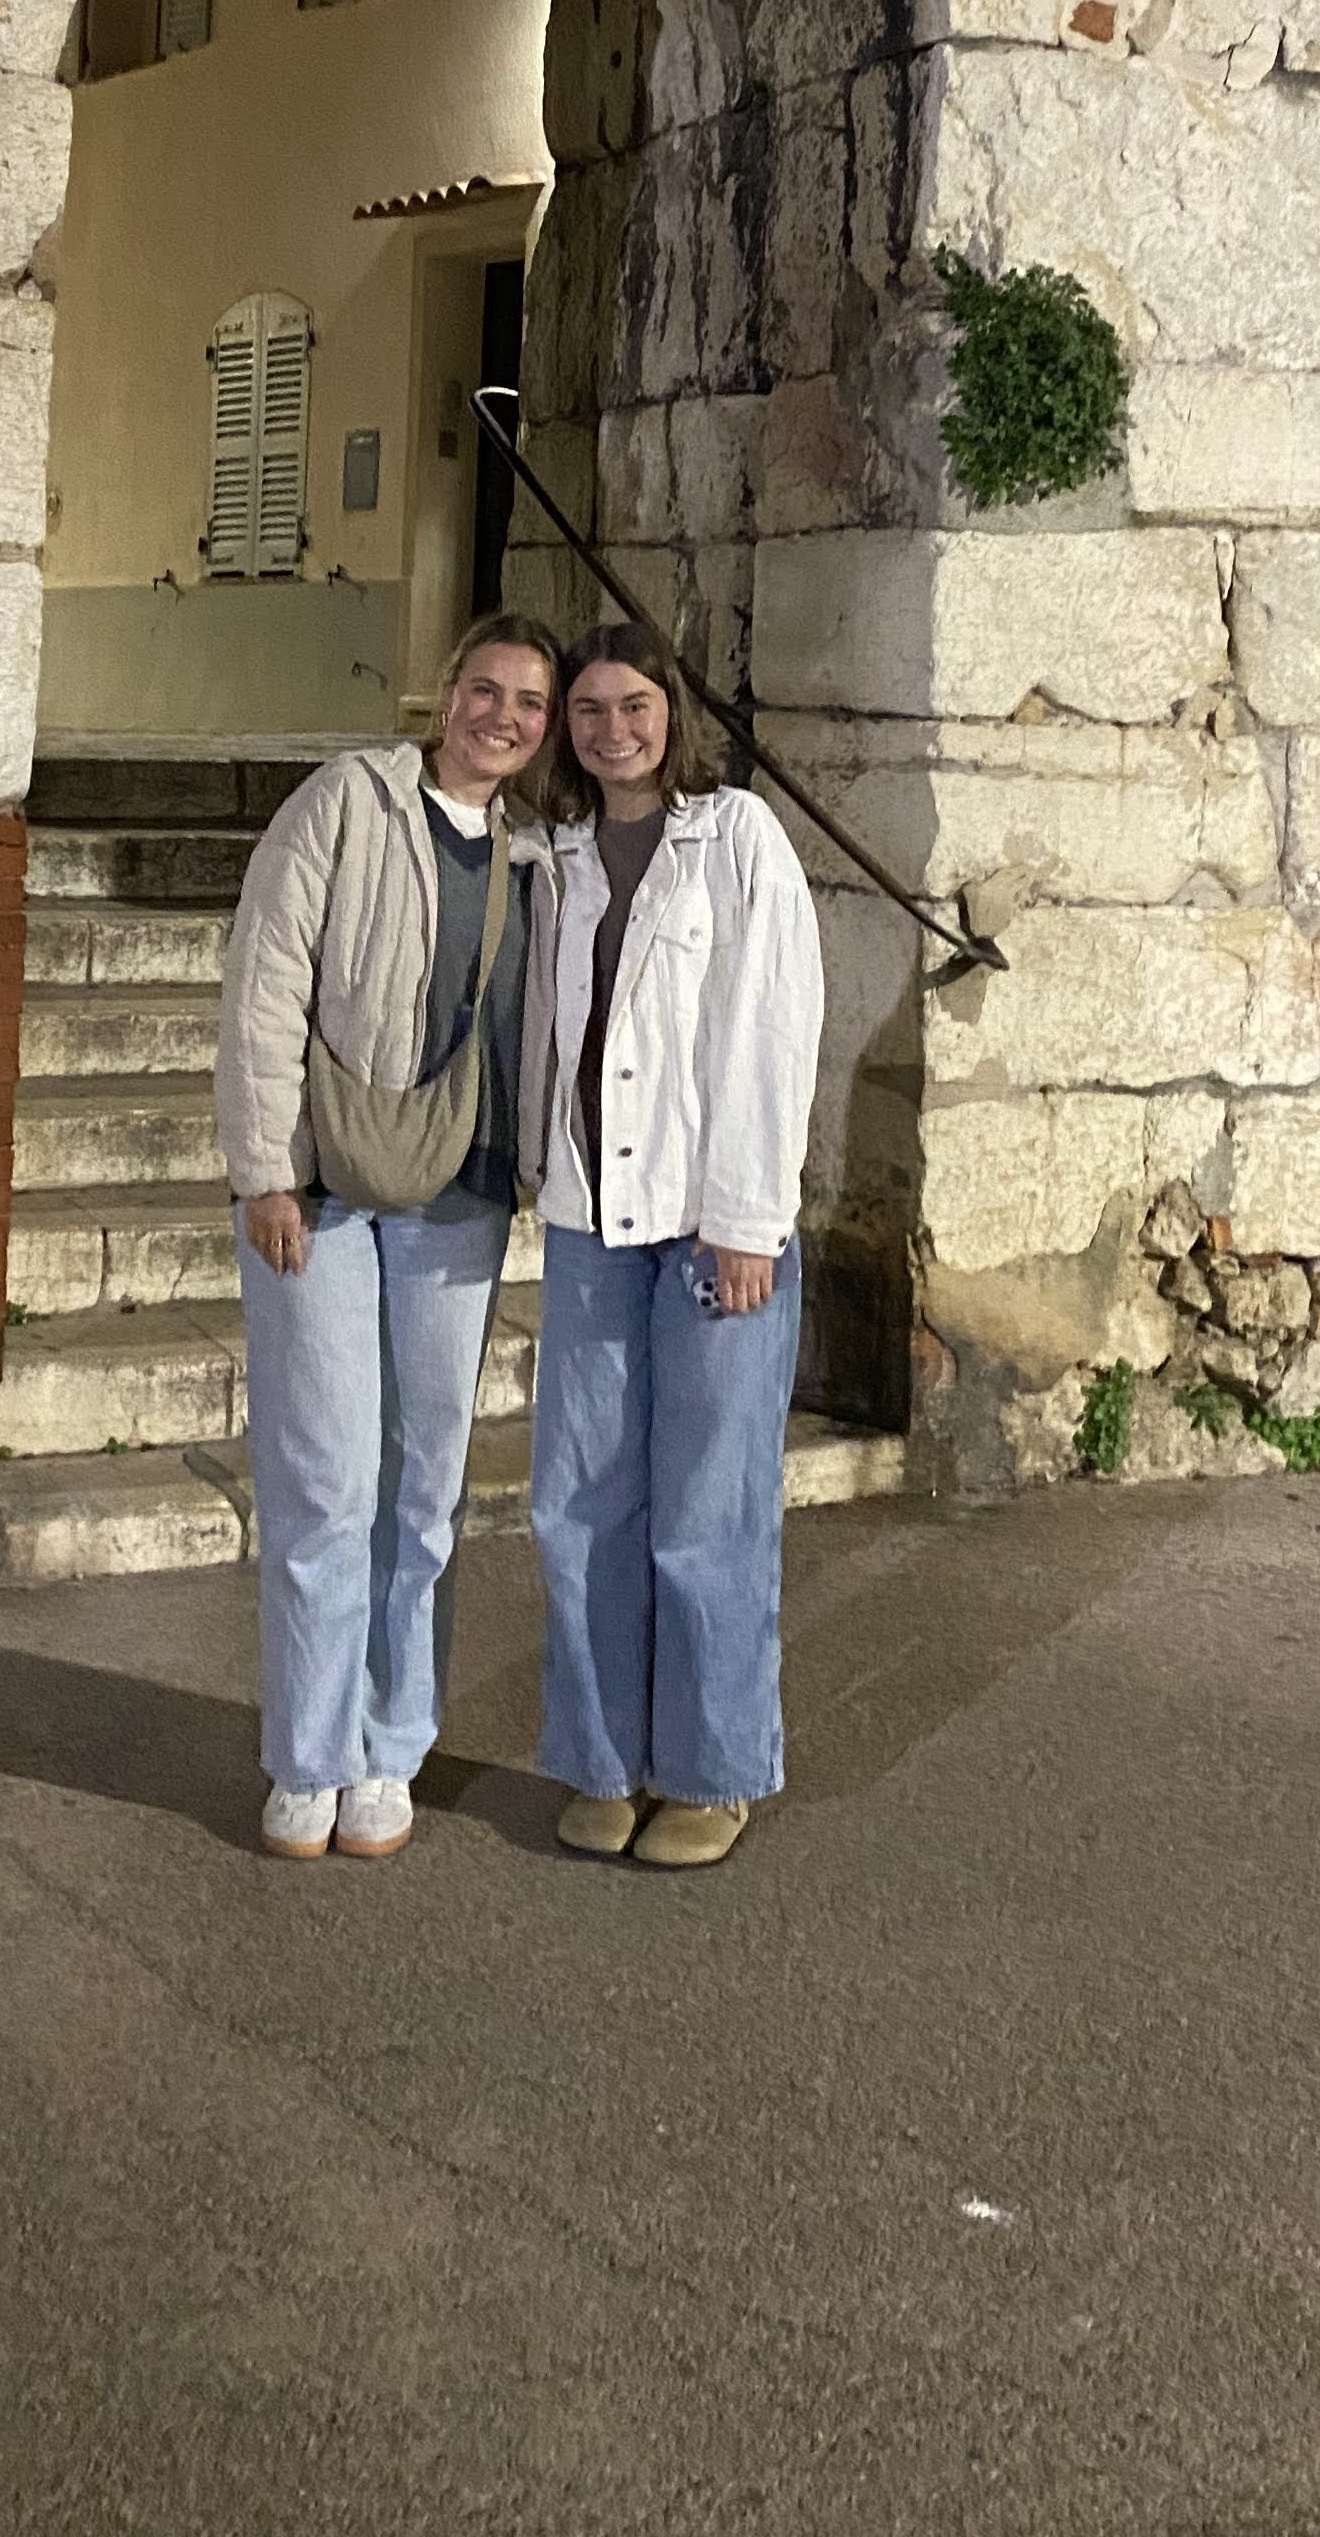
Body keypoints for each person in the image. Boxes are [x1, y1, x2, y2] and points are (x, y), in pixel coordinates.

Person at [215, 614, 564, 1863]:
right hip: (324, 1188)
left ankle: (390, 1744)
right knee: (324, 1478)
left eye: (529, 703)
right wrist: (264, 1169)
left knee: (423, 1487)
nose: (502, 717)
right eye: (486, 689)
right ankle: (307, 1757)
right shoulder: (346, 803)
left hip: (461, 1197)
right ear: (445, 691)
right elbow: (266, 980)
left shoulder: (540, 858)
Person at [520, 619, 826, 1871]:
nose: (613, 731)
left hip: (712, 1230)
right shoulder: (557, 852)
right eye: (589, 711)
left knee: (708, 1510)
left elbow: (772, 1032)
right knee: (580, 1506)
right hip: (594, 1220)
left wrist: (749, 1220)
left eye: (633, 706)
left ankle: (712, 1772)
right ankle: (605, 1761)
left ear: (672, 712)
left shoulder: (737, 838)